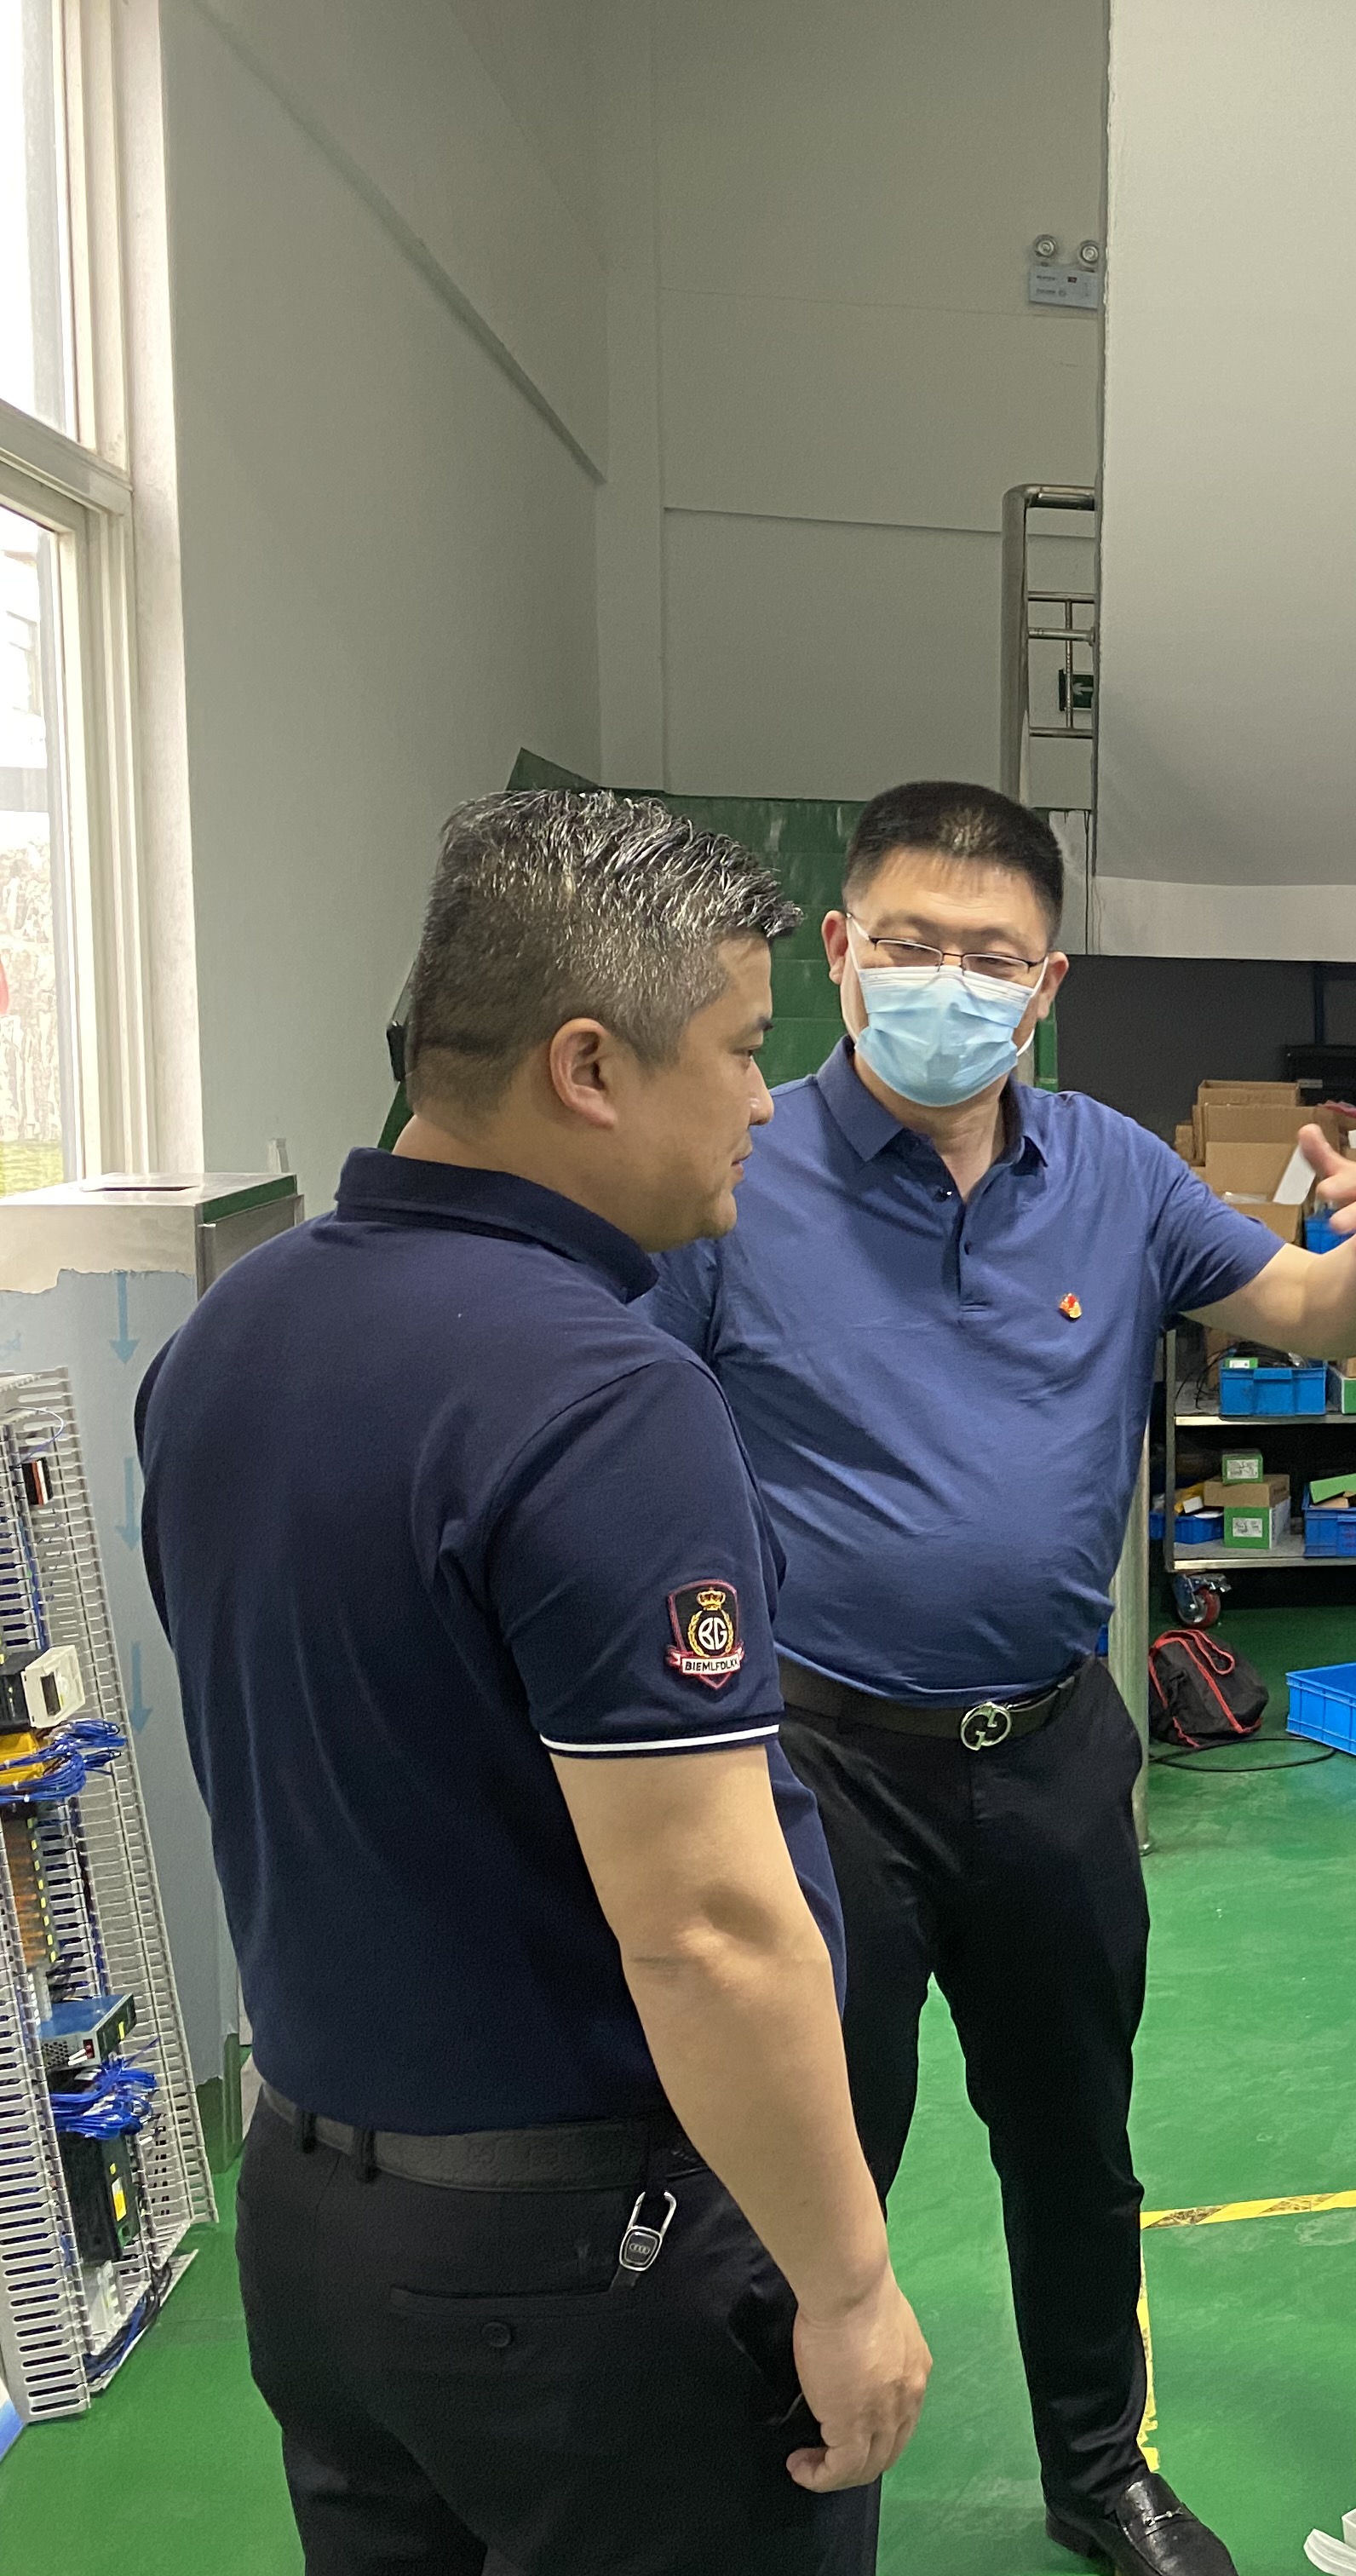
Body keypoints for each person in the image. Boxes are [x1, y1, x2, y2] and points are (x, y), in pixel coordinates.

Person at [646, 781, 1356, 2576]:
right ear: (838, 952)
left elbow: (1302, 1311)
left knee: (1076, 2142)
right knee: (809, 2160)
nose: (950, 983)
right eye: (911, 943)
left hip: (1058, 1751)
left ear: (1046, 980)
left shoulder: (1117, 1175)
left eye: (991, 957)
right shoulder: (737, 1170)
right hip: (822, 1765)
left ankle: (1099, 2470)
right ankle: (789, 2492)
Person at [138, 791, 926, 2573]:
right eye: (741, 1048)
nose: (765, 1101)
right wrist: (845, 2281)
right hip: (582, 2275)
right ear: (590, 1066)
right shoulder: (601, 1398)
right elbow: (706, 1927)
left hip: (320, 2229)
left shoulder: (228, 1337)